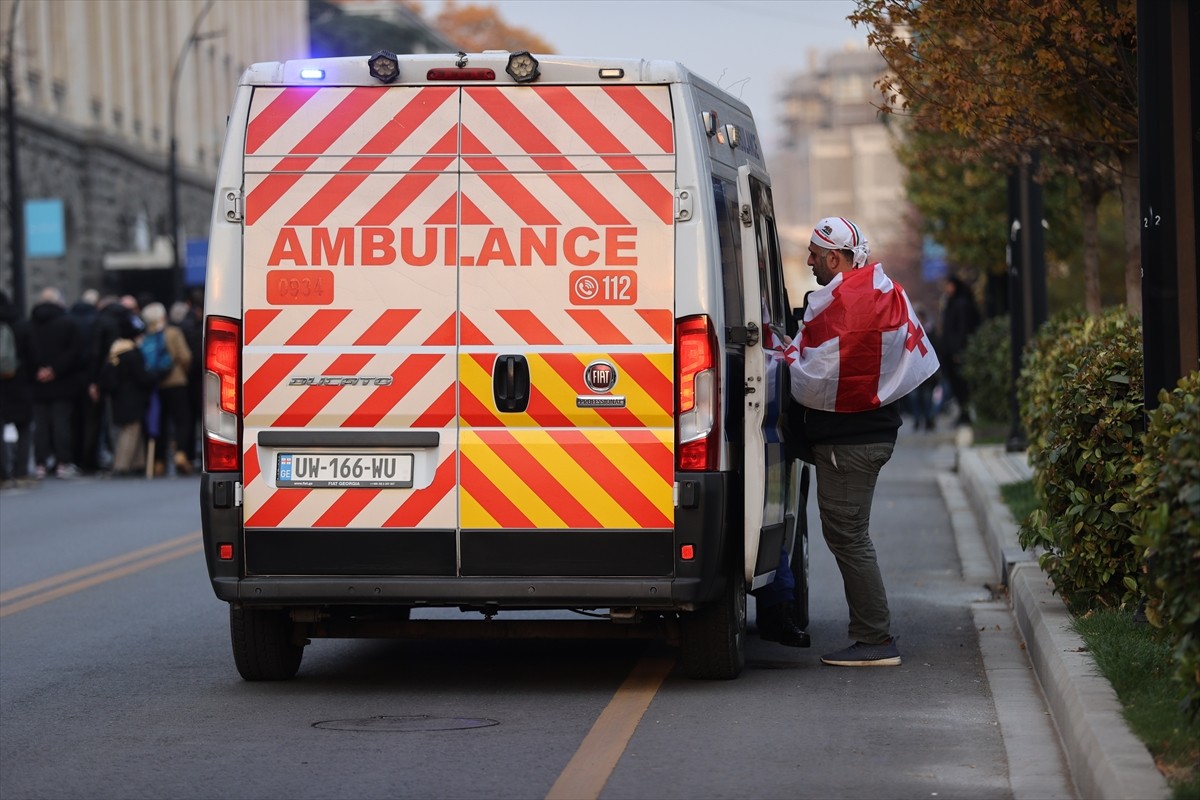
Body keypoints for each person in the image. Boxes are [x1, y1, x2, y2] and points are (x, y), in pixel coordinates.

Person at [782, 217, 939, 667]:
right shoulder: (881, 291)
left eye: (814, 254)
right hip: (862, 439)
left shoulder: (845, 306)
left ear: (835, 257)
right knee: (848, 533)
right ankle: (872, 634)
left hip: (848, 444)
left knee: (849, 535)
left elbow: (816, 376)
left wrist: (788, 356)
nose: (809, 261)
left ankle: (874, 640)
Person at [28, 287, 84, 478]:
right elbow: (75, 351)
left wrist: (39, 369)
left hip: (37, 383)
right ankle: (63, 462)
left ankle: (40, 463)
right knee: (62, 423)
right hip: (63, 382)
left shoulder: (31, 324)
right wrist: (55, 370)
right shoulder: (68, 323)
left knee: (40, 425)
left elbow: (27, 351)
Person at [98, 310, 153, 476]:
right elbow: (142, 377)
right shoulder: (132, 353)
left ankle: (138, 462)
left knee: (133, 430)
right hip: (132, 397)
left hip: (118, 398)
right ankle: (121, 465)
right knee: (131, 430)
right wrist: (156, 375)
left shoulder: (115, 351)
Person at [140, 302, 192, 476]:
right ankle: (181, 454)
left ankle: (159, 461)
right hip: (176, 382)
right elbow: (185, 356)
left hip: (156, 385)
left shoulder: (146, 336)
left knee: (159, 422)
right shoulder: (173, 333)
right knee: (181, 421)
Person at [0, 290, 35, 488]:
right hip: (18, 384)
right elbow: (33, 356)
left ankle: (3, 474)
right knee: (24, 429)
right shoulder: (20, 324)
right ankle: (21, 472)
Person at [939, 275, 980, 426]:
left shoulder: (961, 304)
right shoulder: (950, 303)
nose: (947, 289)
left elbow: (963, 330)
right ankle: (963, 413)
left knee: (962, 385)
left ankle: (965, 413)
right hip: (950, 353)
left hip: (957, 353)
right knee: (956, 384)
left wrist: (958, 351)